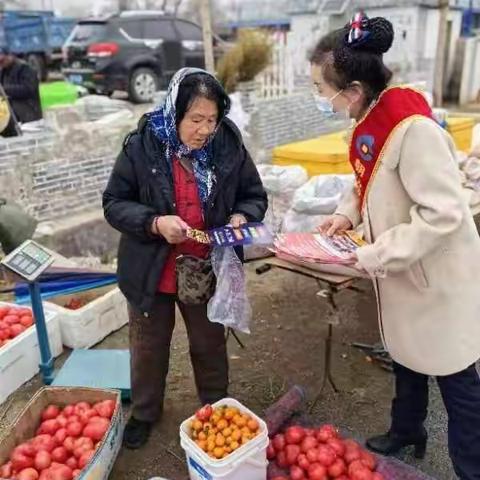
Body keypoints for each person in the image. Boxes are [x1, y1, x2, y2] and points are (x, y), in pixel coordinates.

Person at [313, 13, 480, 480]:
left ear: (352, 90)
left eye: (322, 89)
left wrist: (371, 255)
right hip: (408, 270)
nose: (320, 99)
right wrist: (348, 212)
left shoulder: (413, 129)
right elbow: (369, 179)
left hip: (437, 275)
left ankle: (471, 466)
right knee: (406, 355)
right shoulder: (372, 115)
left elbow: (442, 213)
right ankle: (407, 430)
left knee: (455, 376)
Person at [103, 68, 267, 449]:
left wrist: (242, 215)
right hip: (151, 268)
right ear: (175, 113)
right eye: (195, 119)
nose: (205, 129)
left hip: (204, 267)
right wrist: (155, 222)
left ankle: (216, 407)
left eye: (212, 119)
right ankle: (144, 413)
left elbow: (253, 193)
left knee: (209, 342)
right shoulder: (142, 145)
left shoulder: (228, 143)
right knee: (148, 345)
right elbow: (114, 204)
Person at [0, 47, 42, 137]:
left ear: (10, 56)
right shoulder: (3, 71)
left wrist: (4, 90)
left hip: (29, 118)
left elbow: (29, 89)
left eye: (2, 60)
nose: (1, 64)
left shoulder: (25, 69)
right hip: (14, 118)